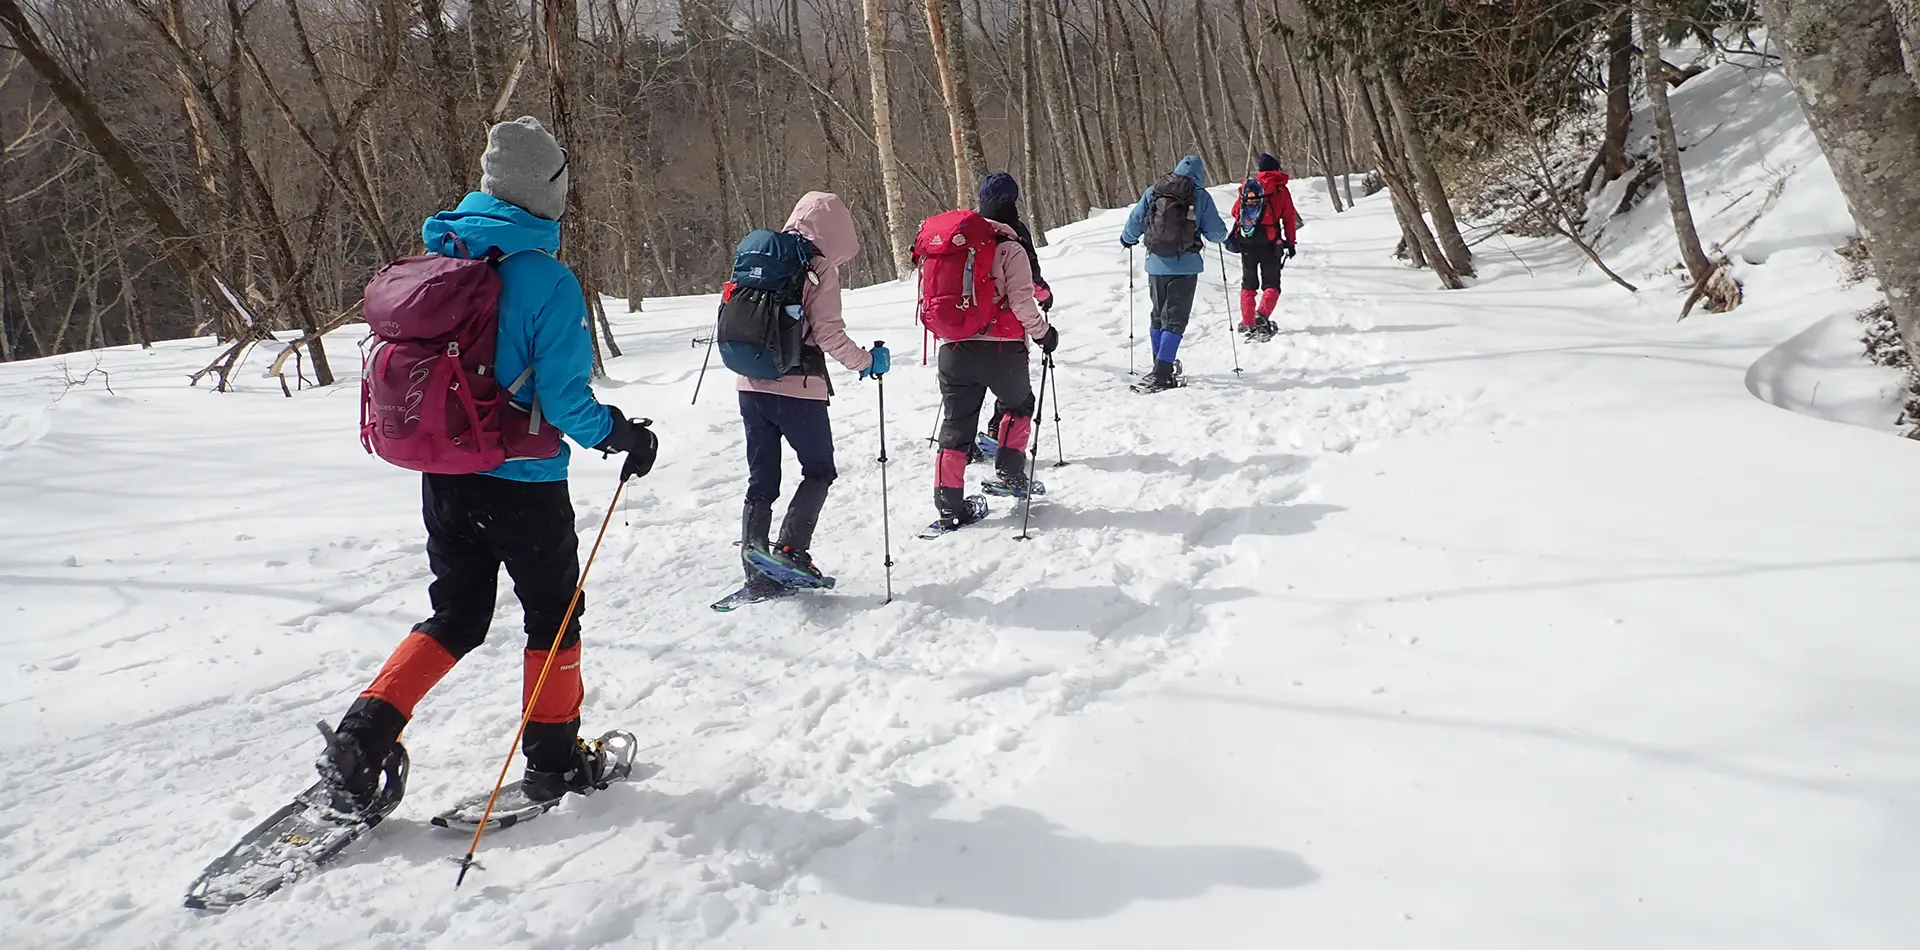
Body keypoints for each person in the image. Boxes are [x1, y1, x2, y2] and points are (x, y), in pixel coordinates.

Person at [320, 117, 657, 812]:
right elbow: (564, 399)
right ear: (548, 191)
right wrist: (620, 435)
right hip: (524, 487)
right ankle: (555, 763)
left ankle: (361, 738)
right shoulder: (546, 280)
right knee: (554, 618)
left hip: (445, 476)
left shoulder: (442, 257)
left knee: (457, 615)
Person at [735, 192, 887, 595]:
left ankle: (755, 564)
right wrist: (866, 362)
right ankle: (790, 550)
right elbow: (828, 334)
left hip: (750, 387)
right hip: (798, 389)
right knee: (819, 469)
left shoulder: (759, 256)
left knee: (761, 479)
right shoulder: (816, 266)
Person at [926, 212, 1057, 528]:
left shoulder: (953, 250)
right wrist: (1043, 334)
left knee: (956, 426)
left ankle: (949, 505)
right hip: (1002, 349)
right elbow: (1022, 303)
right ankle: (1010, 472)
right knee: (1019, 405)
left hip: (953, 349)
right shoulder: (1011, 248)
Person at [1118, 155, 1229, 393]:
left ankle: (1160, 366)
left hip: (1155, 264)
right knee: (1175, 320)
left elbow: (1136, 219)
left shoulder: (1155, 191)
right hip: (1185, 267)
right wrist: (1222, 235)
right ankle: (1162, 373)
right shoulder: (1200, 196)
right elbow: (1216, 233)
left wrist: (1127, 239)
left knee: (1158, 316)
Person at [976, 172, 1052, 457]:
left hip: (966, 323)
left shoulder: (969, 226)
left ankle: (962, 443)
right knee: (1013, 391)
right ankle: (999, 437)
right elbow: (1030, 274)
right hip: (1005, 326)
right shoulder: (1015, 229)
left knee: (970, 388)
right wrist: (1044, 296)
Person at [1226, 153, 1299, 341]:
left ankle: (1247, 321)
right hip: (1270, 242)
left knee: (1248, 283)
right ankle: (1262, 315)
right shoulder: (1280, 190)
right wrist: (1290, 242)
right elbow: (1289, 218)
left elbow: (1235, 212)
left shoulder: (1249, 187)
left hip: (1247, 240)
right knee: (1272, 284)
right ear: (1276, 169)